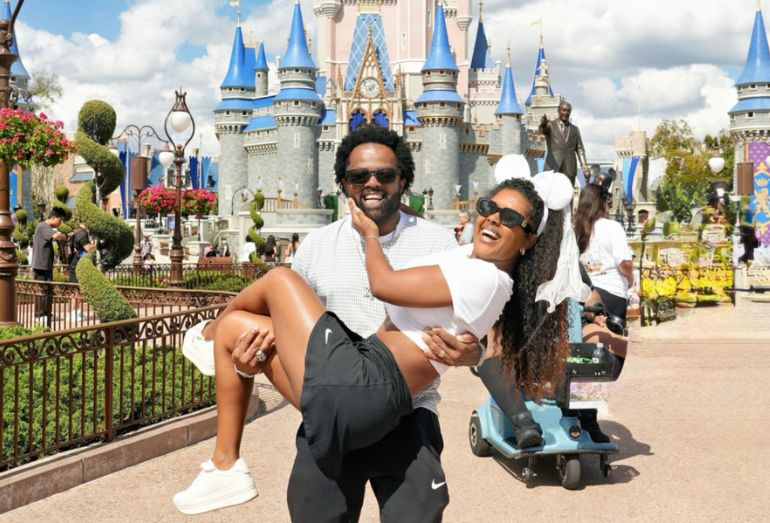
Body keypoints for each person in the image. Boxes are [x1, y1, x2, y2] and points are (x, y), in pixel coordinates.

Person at [174, 174, 576, 518]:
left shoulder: (474, 267)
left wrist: (369, 236)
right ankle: (225, 463)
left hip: (373, 388)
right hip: (354, 379)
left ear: (403, 181)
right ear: (343, 182)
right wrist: (246, 366)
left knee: (280, 280)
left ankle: (206, 335)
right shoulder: (461, 255)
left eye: (510, 218)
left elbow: (384, 285)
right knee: (239, 331)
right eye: (489, 206)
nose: (372, 184)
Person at [573, 183, 634, 442]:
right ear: (603, 202)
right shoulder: (611, 227)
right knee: (611, 357)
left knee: (584, 355)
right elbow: (624, 261)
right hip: (611, 293)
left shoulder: (575, 228)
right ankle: (588, 418)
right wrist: (630, 279)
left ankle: (580, 412)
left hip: (585, 295)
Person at [539, 101, 591, 186]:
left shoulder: (575, 129)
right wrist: (543, 124)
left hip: (569, 167)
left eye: (568, 111)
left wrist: (584, 166)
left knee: (568, 194)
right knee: (551, 193)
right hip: (553, 165)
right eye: (563, 110)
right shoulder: (550, 125)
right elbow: (543, 131)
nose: (565, 113)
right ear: (558, 110)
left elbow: (580, 149)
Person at [31, 208, 67, 324]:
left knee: (47, 291)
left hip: (44, 265)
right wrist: (63, 236)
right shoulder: (43, 227)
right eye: (60, 220)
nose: (61, 223)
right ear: (54, 217)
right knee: (43, 291)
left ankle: (46, 313)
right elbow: (57, 236)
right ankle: (40, 315)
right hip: (41, 265)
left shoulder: (45, 227)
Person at [67, 221, 94, 321]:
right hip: (77, 264)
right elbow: (88, 248)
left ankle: (75, 312)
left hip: (75, 263)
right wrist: (95, 246)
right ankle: (73, 313)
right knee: (76, 291)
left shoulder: (77, 233)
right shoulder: (82, 233)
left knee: (77, 290)